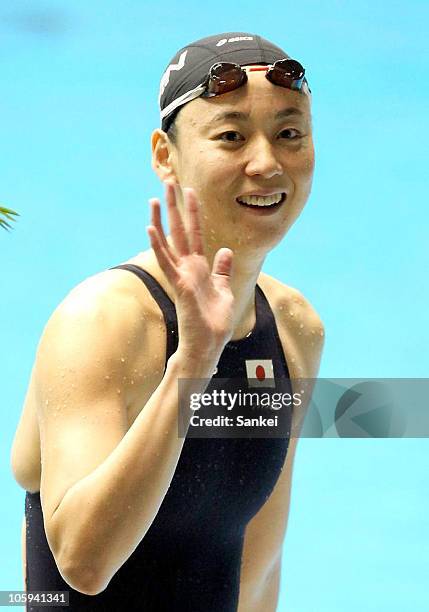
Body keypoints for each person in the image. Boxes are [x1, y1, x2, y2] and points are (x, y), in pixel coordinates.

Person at [11, 32, 325, 611]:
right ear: (165, 156)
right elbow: (82, 562)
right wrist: (193, 363)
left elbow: (259, 559)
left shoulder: (293, 326)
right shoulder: (103, 321)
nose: (266, 162)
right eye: (231, 136)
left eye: (290, 135)